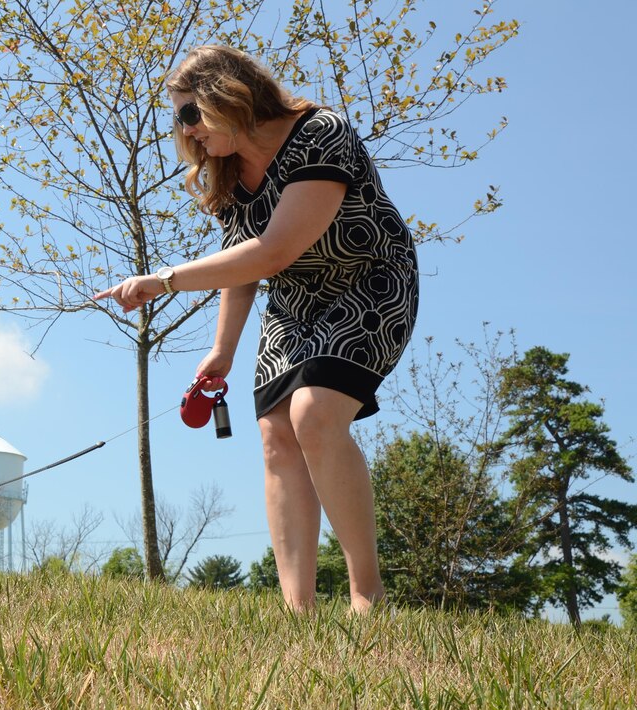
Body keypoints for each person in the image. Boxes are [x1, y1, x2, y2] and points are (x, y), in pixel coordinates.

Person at [93, 45, 418, 614]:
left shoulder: (320, 133)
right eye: (179, 119)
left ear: (229, 94)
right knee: (275, 437)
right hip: (294, 302)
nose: (187, 131)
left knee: (313, 413)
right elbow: (242, 265)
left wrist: (162, 280)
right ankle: (299, 611)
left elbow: (274, 250)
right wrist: (221, 351)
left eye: (191, 113)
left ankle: (368, 593)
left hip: (369, 282)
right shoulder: (227, 174)